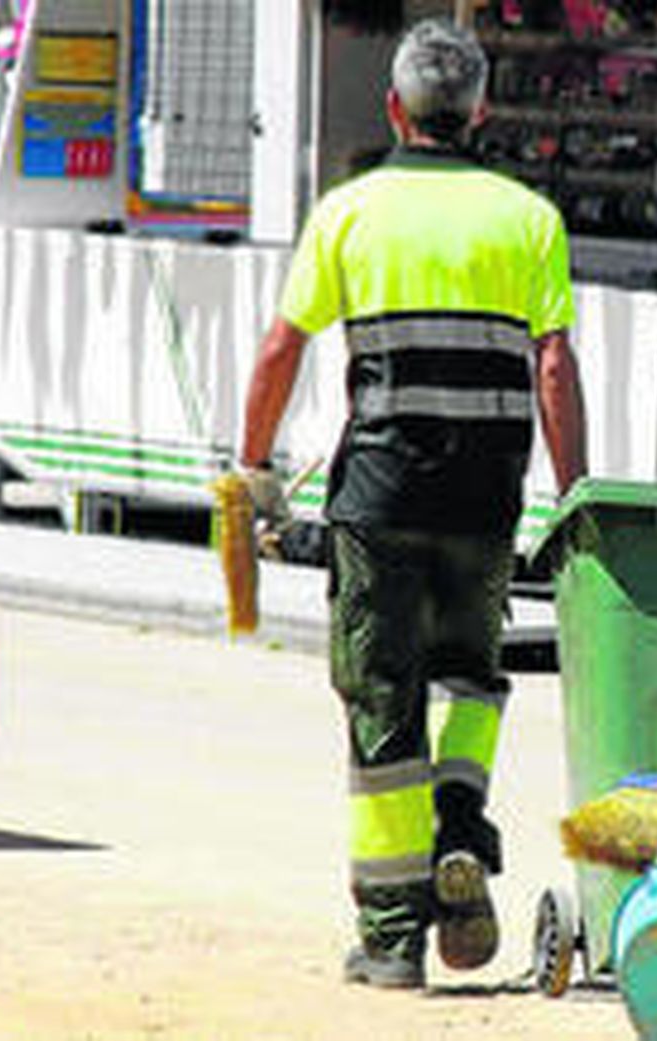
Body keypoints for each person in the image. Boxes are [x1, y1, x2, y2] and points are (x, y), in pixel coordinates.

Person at [237, 18, 588, 991]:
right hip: (486, 498)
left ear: (395, 107)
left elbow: (280, 349)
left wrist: (254, 465)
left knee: (383, 704)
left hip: (378, 498)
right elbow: (553, 365)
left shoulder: (350, 213)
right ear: (479, 111)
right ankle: (462, 827)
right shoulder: (527, 217)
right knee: (471, 679)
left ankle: (393, 938)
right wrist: (576, 494)